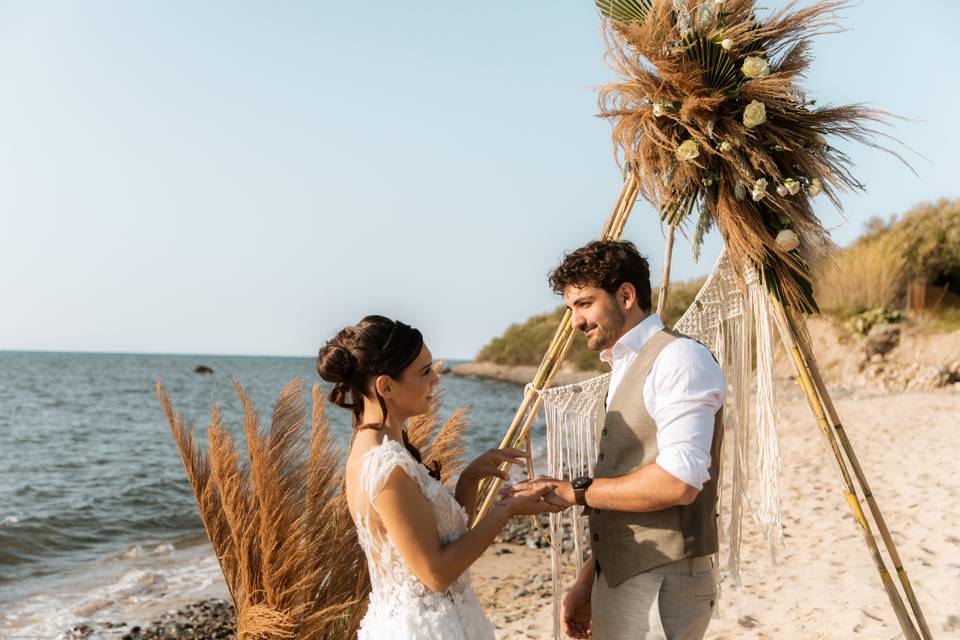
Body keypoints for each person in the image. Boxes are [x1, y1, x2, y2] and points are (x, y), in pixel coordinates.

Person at [504, 240, 725, 640]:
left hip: (666, 582)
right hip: (624, 576)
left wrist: (573, 491)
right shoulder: (624, 365)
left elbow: (679, 481)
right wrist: (590, 581)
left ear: (626, 295)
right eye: (570, 308)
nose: (575, 321)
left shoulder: (679, 359)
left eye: (585, 303)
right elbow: (627, 483)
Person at [316, 314, 562, 640]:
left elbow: (446, 543)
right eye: (424, 372)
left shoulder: (385, 447)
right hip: (421, 630)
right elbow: (435, 573)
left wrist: (470, 479)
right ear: (386, 386)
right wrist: (508, 509)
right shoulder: (385, 465)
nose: (436, 379)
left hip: (441, 621)